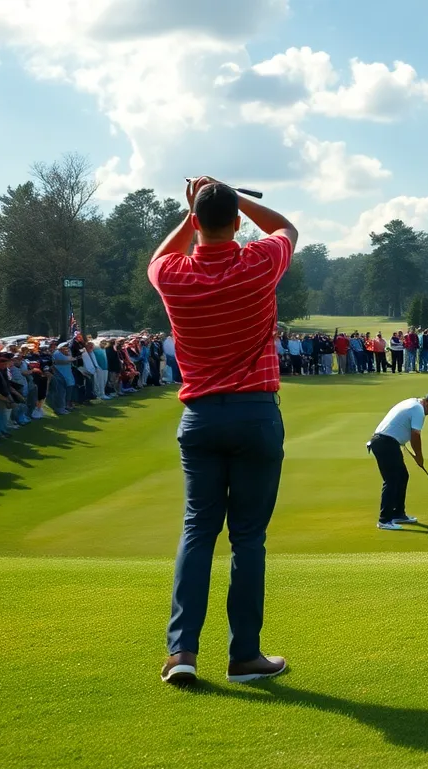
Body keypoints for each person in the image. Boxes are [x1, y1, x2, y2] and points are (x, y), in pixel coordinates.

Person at [148, 175, 298, 687]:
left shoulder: (172, 275)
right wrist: (234, 201)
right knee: (248, 539)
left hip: (201, 419)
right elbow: (286, 228)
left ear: (195, 222)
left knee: (198, 530)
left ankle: (182, 653)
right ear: (237, 222)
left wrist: (194, 208)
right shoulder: (257, 264)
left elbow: (158, 256)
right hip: (256, 414)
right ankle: (244, 657)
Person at [368, 393, 428, 531]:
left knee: (402, 476)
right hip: (385, 442)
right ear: (427, 402)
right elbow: (415, 435)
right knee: (392, 480)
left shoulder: (412, 403)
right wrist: (419, 457)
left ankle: (398, 513)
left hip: (386, 442)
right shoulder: (418, 409)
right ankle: (384, 520)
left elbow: (401, 429)